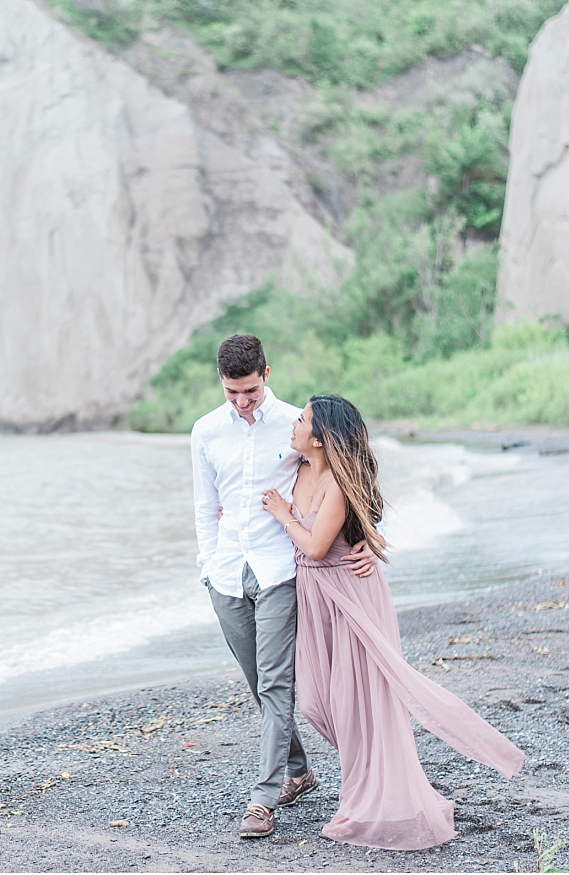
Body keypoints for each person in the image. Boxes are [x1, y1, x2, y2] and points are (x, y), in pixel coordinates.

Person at [259, 393, 527, 850]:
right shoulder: (298, 467)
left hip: (350, 593)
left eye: (301, 420)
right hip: (316, 596)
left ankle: (371, 792)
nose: (293, 425)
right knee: (317, 702)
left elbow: (318, 546)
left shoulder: (337, 486)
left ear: (321, 439)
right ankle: (371, 776)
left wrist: (285, 516)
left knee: (360, 700)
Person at [191, 334, 377, 839]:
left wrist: (366, 538)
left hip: (279, 572)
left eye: (249, 391)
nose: (242, 402)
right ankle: (298, 769)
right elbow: (205, 507)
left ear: (266, 375)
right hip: (227, 573)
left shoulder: (301, 425)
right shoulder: (205, 431)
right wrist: (209, 565)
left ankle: (262, 801)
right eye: (232, 393)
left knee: (276, 684)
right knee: (259, 682)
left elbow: (350, 475)